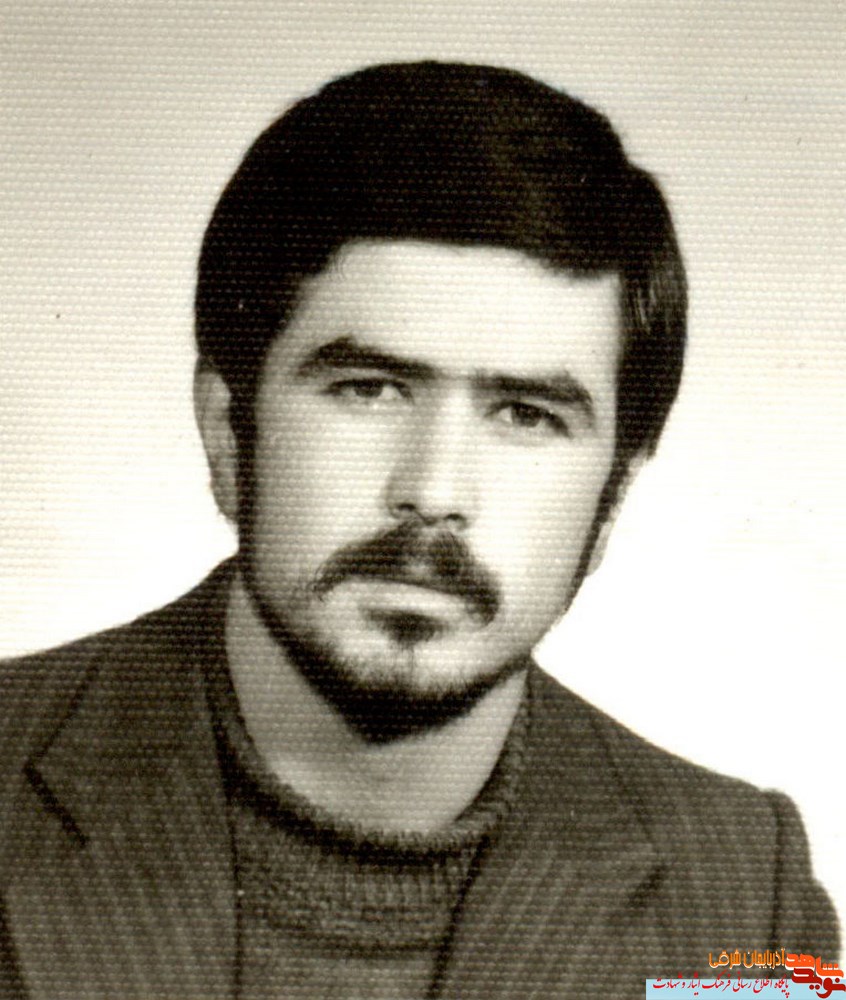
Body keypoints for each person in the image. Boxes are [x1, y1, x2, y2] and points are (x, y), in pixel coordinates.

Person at [0, 61, 838, 1000]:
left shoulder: (750, 908)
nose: (433, 492)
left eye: (526, 415)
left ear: (612, 497)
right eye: (369, 389)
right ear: (229, 432)